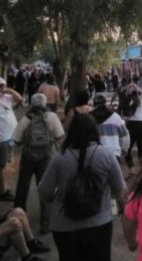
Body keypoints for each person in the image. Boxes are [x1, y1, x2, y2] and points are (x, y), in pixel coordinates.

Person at [38, 114, 126, 261]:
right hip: (99, 223)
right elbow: (120, 190)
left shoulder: (59, 157)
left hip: (64, 226)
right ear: (94, 131)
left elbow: (44, 192)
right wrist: (122, 212)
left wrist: (57, 197)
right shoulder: (106, 155)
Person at [12, 93, 65, 234]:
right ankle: (46, 224)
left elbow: (16, 140)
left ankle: (18, 219)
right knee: (46, 189)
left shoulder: (26, 118)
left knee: (22, 188)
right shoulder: (51, 116)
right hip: (46, 156)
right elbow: (60, 136)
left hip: (28, 156)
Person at [90, 94, 130, 163]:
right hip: (114, 154)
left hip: (96, 155)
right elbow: (125, 136)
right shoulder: (115, 117)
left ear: (94, 105)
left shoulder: (89, 118)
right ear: (105, 103)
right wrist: (124, 150)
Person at [0, 78, 22, 201]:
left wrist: (9, 90)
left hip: (9, 137)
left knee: (5, 165)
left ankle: (4, 188)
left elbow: (20, 99)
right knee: (2, 166)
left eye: (2, 86)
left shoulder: (6, 98)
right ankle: (3, 192)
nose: (1, 89)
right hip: (2, 138)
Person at [124, 84, 142, 169]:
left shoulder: (131, 102)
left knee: (127, 149)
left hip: (132, 127)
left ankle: (131, 168)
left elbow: (129, 114)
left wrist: (124, 119)